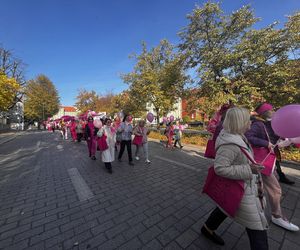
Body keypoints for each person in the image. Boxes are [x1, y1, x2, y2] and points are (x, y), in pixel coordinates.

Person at [201, 107, 269, 250]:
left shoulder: (238, 136)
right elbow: (220, 168)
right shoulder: (230, 143)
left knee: (224, 207)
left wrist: (250, 166)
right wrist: (249, 169)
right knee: (257, 225)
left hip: (244, 185)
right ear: (239, 122)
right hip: (244, 188)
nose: (251, 124)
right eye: (248, 121)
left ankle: (207, 228)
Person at [245, 103, 298, 231]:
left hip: (269, 161)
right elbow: (248, 137)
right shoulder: (259, 124)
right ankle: (277, 216)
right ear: (266, 112)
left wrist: (285, 142)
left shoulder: (273, 124)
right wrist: (266, 143)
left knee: (264, 187)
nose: (274, 111)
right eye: (272, 109)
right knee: (275, 190)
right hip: (262, 162)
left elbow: (277, 142)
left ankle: (258, 208)